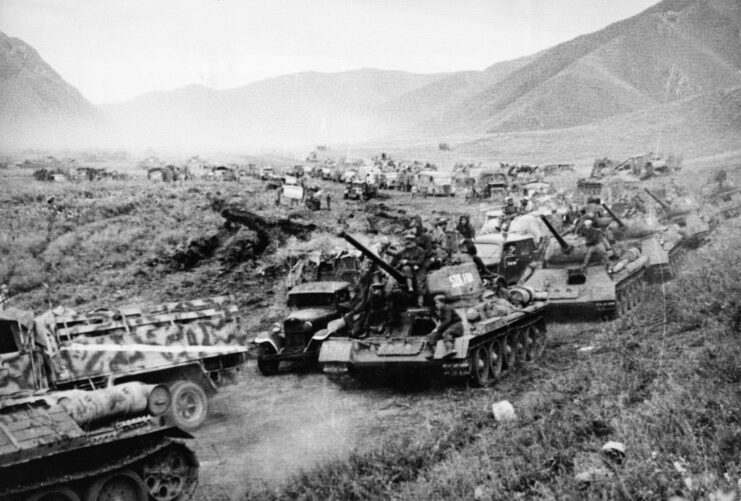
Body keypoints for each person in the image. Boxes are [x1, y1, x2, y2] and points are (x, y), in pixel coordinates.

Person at [391, 232, 427, 306]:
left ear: (413, 242)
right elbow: (394, 262)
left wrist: (407, 261)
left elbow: (420, 262)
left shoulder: (420, 250)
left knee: (420, 285)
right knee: (405, 269)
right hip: (406, 272)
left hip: (419, 270)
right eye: (406, 242)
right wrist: (398, 264)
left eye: (409, 242)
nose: (407, 244)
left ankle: (420, 303)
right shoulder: (403, 251)